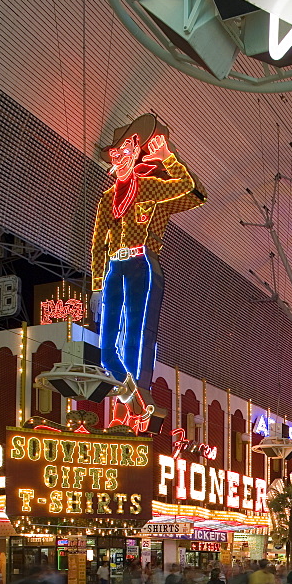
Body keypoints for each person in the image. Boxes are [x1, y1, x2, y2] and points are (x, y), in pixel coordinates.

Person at [93, 114, 206, 397]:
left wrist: (168, 157)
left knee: (136, 329)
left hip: (141, 263)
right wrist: (97, 284)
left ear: (135, 154)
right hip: (114, 266)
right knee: (107, 344)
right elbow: (97, 243)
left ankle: (137, 390)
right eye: (115, 152)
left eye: (127, 151)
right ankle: (125, 383)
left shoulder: (148, 185)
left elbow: (189, 189)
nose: (120, 157)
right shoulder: (107, 198)